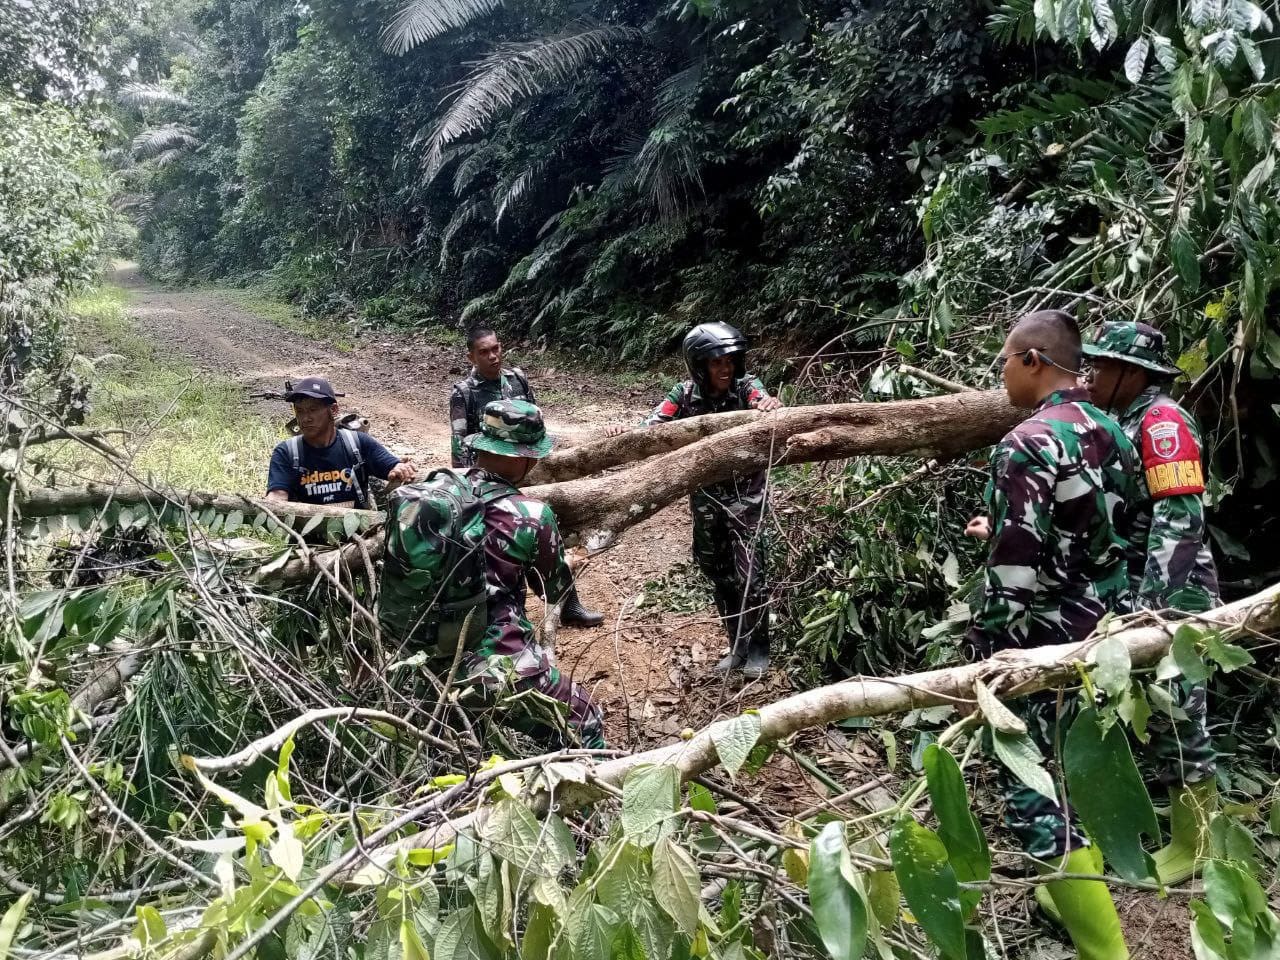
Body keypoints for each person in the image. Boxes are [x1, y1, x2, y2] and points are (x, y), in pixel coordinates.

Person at [967, 310, 1139, 960]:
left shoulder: (1026, 442)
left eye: (1006, 360)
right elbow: (1105, 530)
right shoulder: (1113, 431)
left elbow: (1016, 573)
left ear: (1033, 361)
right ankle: (1066, 892)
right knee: (1083, 767)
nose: (1002, 374)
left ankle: (1106, 950)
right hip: (1106, 633)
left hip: (1039, 642)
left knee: (1033, 788)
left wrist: (987, 660)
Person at [1083, 319, 1219, 884]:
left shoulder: (1163, 422)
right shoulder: (1123, 420)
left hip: (1173, 586)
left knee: (1177, 705)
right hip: (1133, 582)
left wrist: (1153, 606)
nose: (1091, 376)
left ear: (1132, 374)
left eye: (1102, 366)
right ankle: (1166, 813)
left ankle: (1198, 840)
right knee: (1143, 704)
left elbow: (1180, 517)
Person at [607, 322, 782, 679]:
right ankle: (737, 645)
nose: (725, 368)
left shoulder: (747, 387)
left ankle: (759, 648)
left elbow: (765, 403)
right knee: (717, 572)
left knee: (752, 574)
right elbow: (652, 427)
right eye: (716, 362)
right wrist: (624, 434)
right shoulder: (684, 394)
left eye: (730, 360)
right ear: (699, 365)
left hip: (747, 500)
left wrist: (770, 404)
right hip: (705, 499)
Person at [460, 399, 605, 748]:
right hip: (493, 665)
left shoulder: (437, 492)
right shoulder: (531, 514)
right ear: (526, 457)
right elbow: (552, 589)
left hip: (425, 661)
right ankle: (573, 798)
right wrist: (565, 563)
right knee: (585, 722)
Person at [448, 325, 604, 628]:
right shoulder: (464, 393)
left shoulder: (516, 379)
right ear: (471, 355)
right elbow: (460, 443)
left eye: (496, 348)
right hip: (489, 478)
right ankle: (498, 613)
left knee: (543, 531)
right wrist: (471, 485)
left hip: (526, 471)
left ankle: (568, 603)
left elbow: (536, 425)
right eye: (484, 352)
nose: (493, 356)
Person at [266, 376, 414, 507]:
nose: (305, 418)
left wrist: (399, 469)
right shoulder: (286, 452)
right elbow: (278, 495)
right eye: (300, 411)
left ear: (334, 410)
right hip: (306, 535)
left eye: (313, 409)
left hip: (363, 532)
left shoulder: (358, 443)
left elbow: (392, 466)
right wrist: (269, 505)